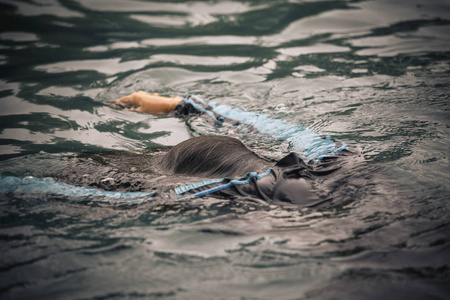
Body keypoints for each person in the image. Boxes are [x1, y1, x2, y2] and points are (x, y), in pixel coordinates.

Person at [108, 91, 351, 207]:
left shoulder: (245, 189)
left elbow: (132, 199)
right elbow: (288, 131)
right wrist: (182, 104)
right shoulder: (337, 158)